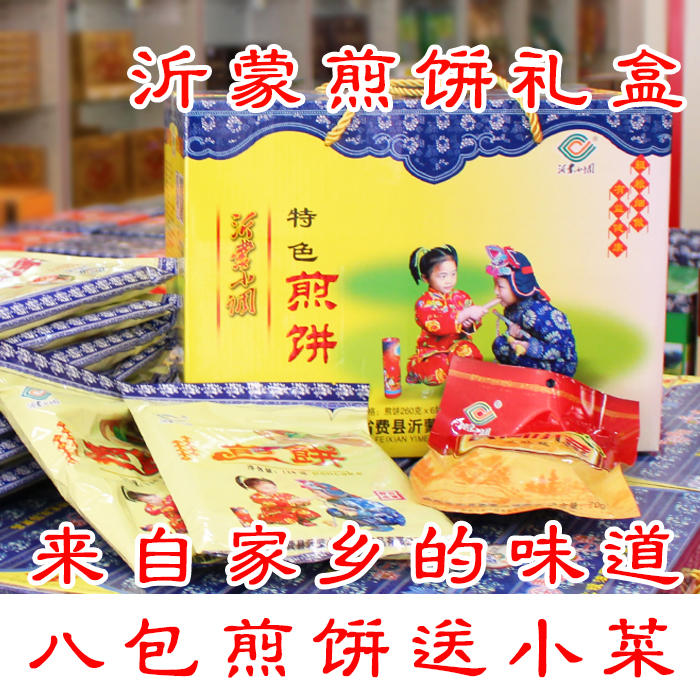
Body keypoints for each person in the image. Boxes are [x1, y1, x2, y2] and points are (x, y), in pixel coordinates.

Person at [486, 245, 577, 377]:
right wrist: (514, 336)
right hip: (529, 351)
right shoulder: (511, 311)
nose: (495, 291)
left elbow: (561, 349)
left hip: (559, 361)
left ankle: (535, 380)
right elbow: (521, 337)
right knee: (500, 344)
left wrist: (529, 347)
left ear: (517, 285)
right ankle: (520, 376)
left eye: (500, 286)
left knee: (521, 359)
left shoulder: (540, 313)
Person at [406, 245, 486, 386]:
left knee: (472, 357)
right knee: (434, 375)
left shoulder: (462, 296)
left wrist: (469, 325)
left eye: (453, 274)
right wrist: (464, 315)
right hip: (434, 351)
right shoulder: (424, 303)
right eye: (443, 276)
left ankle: (455, 374)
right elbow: (437, 326)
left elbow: (473, 323)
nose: (449, 280)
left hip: (457, 345)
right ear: (426, 278)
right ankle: (414, 368)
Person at [297, 480, 405, 532]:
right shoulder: (333, 501)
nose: (317, 495)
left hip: (379, 515)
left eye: (317, 492)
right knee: (332, 511)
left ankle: (382, 526)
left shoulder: (349, 501)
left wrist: (355, 512)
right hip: (361, 519)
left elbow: (377, 510)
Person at [236, 477, 320, 526]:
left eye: (274, 487)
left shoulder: (283, 494)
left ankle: (303, 520)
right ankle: (271, 521)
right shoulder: (257, 496)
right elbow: (272, 502)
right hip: (273, 513)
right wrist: (291, 501)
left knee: (307, 512)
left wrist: (304, 501)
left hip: (291, 510)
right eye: (266, 488)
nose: (272, 490)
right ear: (254, 489)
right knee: (288, 518)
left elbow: (295, 498)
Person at [122, 488, 187, 534]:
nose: (153, 502)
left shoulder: (169, 500)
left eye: (153, 498)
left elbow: (171, 506)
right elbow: (153, 511)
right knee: (174, 523)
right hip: (180, 522)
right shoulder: (161, 509)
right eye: (150, 502)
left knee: (174, 522)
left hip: (184, 512)